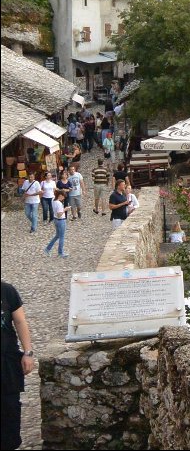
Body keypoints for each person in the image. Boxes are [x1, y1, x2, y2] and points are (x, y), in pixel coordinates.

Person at [1, 280, 36, 451]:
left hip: (6, 361)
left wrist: (28, 353)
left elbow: (20, 321)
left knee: (10, 409)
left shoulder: (6, 290)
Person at [43, 189, 68, 258]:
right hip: (61, 220)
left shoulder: (53, 199)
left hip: (56, 220)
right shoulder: (59, 203)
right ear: (60, 196)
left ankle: (47, 249)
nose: (64, 198)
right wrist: (65, 209)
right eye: (63, 197)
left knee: (57, 236)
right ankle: (60, 253)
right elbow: (59, 214)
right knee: (62, 237)